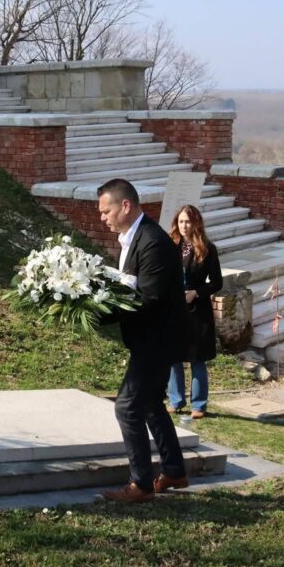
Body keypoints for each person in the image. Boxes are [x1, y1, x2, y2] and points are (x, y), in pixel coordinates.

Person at [96, 178, 189, 503]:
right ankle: (174, 471)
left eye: (106, 211)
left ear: (125, 206)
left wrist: (100, 313)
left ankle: (141, 485)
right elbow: (128, 286)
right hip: (151, 338)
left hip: (157, 340)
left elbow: (148, 298)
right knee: (149, 404)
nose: (103, 218)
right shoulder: (132, 237)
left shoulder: (152, 242)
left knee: (127, 407)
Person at [167, 204, 223, 418]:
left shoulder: (207, 248)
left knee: (197, 358)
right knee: (173, 356)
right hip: (174, 308)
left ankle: (198, 405)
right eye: (181, 221)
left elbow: (217, 282)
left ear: (196, 223)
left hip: (197, 310)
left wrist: (196, 293)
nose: (184, 226)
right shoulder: (170, 245)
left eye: (188, 221)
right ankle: (176, 400)